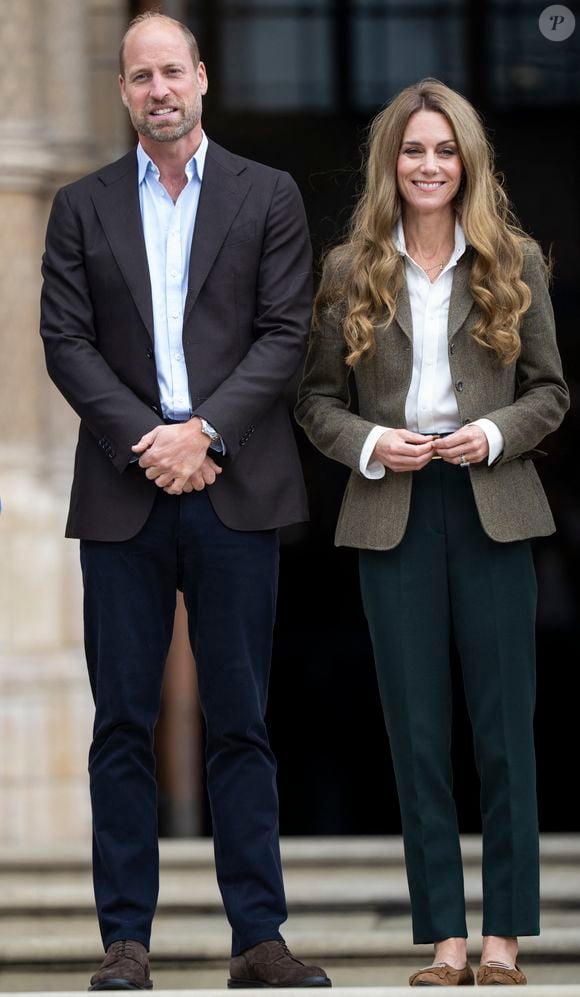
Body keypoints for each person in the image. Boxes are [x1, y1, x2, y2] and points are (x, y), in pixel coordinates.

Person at [40, 12, 330, 992]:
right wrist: (150, 440)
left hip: (232, 482)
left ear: (201, 78)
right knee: (120, 720)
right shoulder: (80, 206)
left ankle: (259, 936)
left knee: (239, 715)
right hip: (124, 491)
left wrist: (201, 434)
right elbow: (65, 341)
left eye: (173, 70)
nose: (158, 89)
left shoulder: (269, 195)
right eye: (140, 76)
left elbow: (284, 334)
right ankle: (125, 940)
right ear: (123, 92)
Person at [296, 78, 568, 988]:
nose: (428, 164)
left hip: (492, 503)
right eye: (413, 150)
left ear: (468, 162)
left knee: (504, 731)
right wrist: (375, 441)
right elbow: (314, 402)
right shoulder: (348, 271)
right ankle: (446, 940)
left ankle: (505, 939)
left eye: (445, 149)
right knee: (417, 732)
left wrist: (490, 434)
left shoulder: (514, 261)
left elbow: (551, 392)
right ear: (391, 162)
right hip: (392, 511)